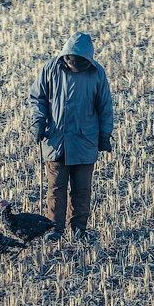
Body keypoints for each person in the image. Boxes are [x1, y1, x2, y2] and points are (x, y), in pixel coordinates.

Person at [29, 31, 113, 241]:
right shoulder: (50, 68)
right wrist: (38, 122)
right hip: (56, 141)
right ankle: (54, 229)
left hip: (85, 141)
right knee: (56, 189)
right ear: (66, 57)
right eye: (72, 62)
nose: (75, 66)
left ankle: (78, 229)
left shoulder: (97, 73)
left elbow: (105, 106)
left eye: (79, 63)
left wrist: (105, 135)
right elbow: (37, 98)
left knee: (82, 190)